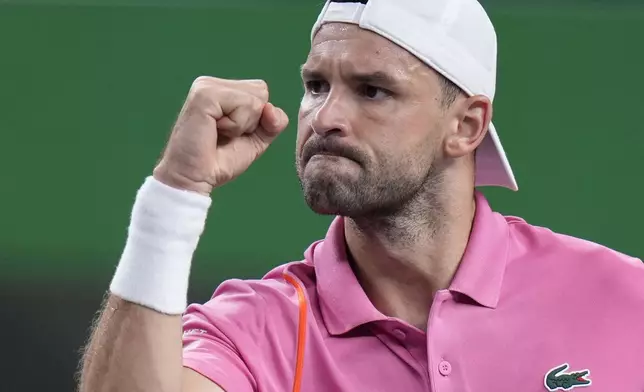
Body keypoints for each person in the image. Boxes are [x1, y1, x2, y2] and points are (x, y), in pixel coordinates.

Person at [78, 0, 644, 391]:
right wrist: (174, 197)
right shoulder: (256, 331)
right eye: (316, 86)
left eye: (373, 91)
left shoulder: (625, 298)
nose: (326, 118)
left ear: (467, 126)